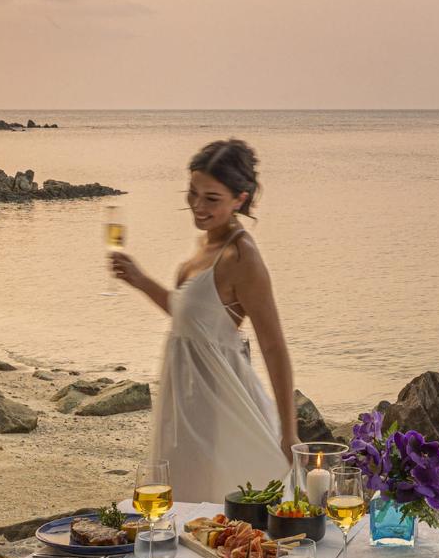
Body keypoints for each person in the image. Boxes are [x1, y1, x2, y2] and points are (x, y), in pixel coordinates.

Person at [111, 140, 299, 502]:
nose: (198, 206)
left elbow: (274, 346)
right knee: (181, 502)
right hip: (184, 395)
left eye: (211, 198)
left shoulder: (242, 257)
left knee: (211, 504)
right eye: (193, 194)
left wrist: (289, 433)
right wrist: (140, 280)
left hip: (218, 402)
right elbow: (192, 320)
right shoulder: (205, 245)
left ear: (239, 199)